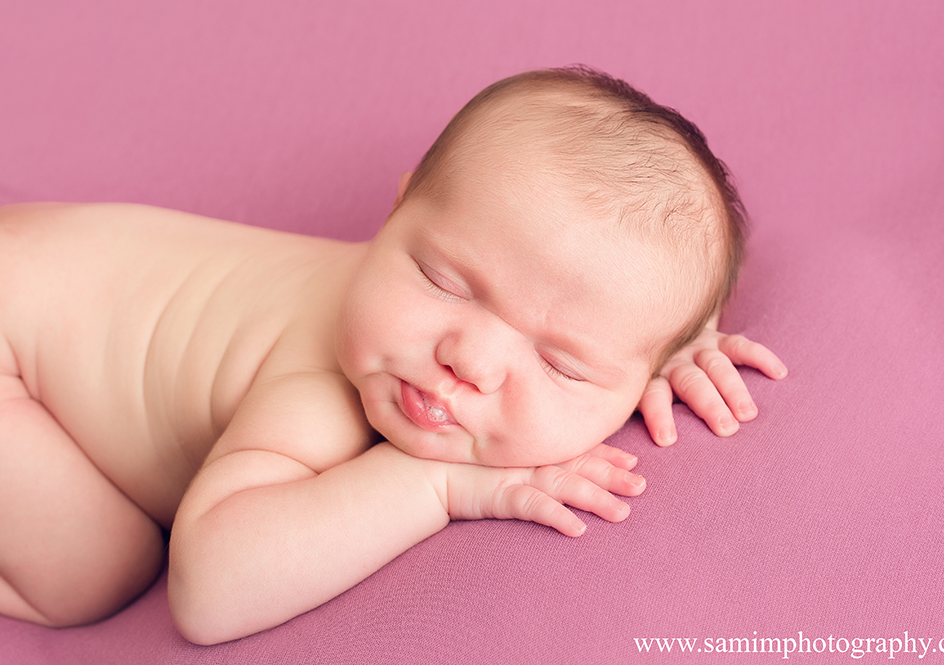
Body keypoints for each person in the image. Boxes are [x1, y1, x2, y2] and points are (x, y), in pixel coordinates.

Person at [0, 66, 786, 644]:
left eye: (562, 365)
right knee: (93, 570)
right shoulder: (319, 385)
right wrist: (434, 483)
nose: (468, 360)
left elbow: (632, 288)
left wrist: (689, 341)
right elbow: (209, 593)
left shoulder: (568, 318)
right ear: (398, 207)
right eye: (443, 281)